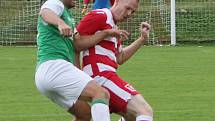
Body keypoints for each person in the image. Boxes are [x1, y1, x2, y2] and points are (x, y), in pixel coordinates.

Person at [34, 0, 123, 120]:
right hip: (54, 66)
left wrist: (105, 33)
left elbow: (79, 44)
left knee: (84, 114)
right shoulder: (55, 3)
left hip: (45, 75)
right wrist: (60, 23)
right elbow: (45, 12)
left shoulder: (68, 18)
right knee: (101, 94)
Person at [75, 0, 153, 120]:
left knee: (132, 117)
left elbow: (119, 57)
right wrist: (77, 74)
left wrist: (141, 39)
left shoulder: (113, 25)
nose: (129, 14)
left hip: (107, 75)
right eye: (128, 8)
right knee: (144, 111)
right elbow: (75, 43)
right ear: (117, 1)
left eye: (132, 12)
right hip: (100, 75)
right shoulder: (100, 15)